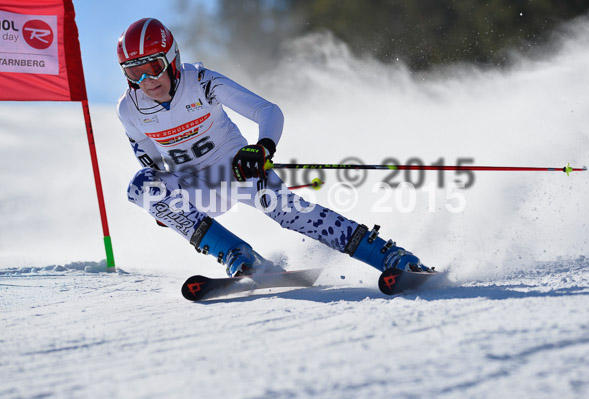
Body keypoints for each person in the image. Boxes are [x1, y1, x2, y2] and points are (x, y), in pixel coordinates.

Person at [117, 18, 427, 277]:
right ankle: (237, 255)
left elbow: (268, 111)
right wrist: (166, 207)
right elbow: (152, 166)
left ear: (171, 58)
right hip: (199, 187)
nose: (146, 80)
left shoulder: (200, 82)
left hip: (236, 170)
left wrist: (262, 148)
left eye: (154, 67)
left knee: (287, 211)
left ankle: (391, 257)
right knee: (140, 187)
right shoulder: (129, 110)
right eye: (134, 72)